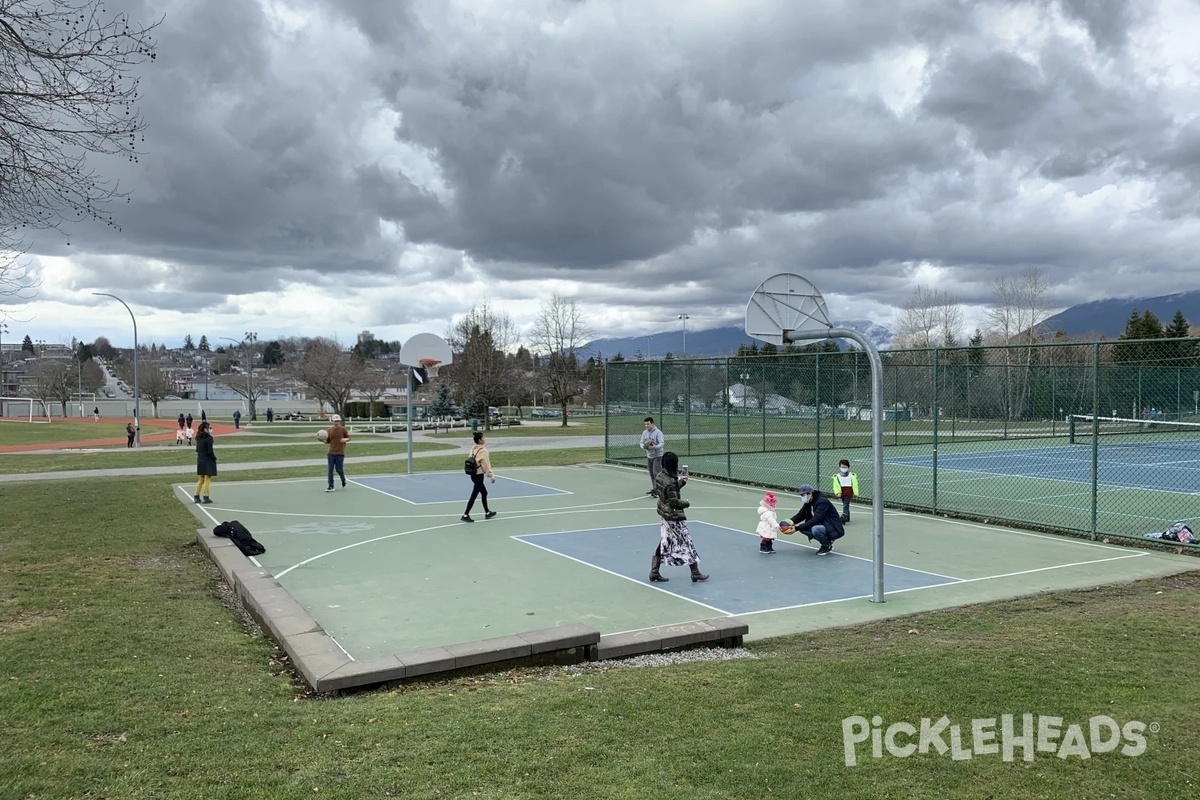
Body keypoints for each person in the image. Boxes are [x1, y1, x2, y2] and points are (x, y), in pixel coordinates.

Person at [649, 451, 708, 583]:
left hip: (665, 515)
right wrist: (687, 503)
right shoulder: (670, 481)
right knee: (686, 542)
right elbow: (674, 501)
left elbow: (668, 492)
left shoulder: (661, 475)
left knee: (665, 541)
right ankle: (695, 572)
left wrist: (681, 482)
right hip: (673, 517)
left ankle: (654, 571)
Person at [786, 484, 844, 555]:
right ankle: (827, 540)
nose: (802, 497)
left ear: (809, 494)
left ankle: (826, 546)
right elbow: (802, 514)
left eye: (803, 495)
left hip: (834, 527)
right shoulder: (809, 501)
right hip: (824, 525)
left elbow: (817, 519)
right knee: (803, 529)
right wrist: (790, 522)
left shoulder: (822, 502)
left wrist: (797, 528)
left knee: (815, 529)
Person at [461, 431, 496, 522]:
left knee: (484, 493)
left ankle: (487, 512)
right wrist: (491, 475)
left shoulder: (473, 448)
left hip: (473, 474)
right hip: (479, 475)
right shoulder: (483, 451)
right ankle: (465, 514)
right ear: (480, 440)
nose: (484, 439)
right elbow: (486, 465)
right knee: (475, 494)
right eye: (483, 438)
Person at [639, 417, 665, 497]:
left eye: (648, 424)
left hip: (658, 455)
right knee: (651, 473)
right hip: (649, 455)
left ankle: (659, 490)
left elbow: (662, 443)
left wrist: (655, 447)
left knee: (656, 473)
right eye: (645, 424)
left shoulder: (658, 432)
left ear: (652, 424)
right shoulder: (644, 433)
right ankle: (655, 488)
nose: (647, 426)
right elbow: (641, 442)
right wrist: (644, 446)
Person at [324, 414, 350, 492]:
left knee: (339, 469)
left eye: (338, 421)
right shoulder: (329, 430)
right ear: (332, 421)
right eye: (335, 421)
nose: (336, 422)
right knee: (330, 470)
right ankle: (331, 485)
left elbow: (349, 438)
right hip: (331, 452)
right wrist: (323, 440)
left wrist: (345, 440)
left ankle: (343, 479)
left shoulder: (343, 429)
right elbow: (328, 441)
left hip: (340, 453)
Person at [830, 459, 860, 523]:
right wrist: (837, 492)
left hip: (848, 492)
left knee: (845, 505)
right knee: (845, 504)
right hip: (842, 492)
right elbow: (836, 485)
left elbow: (855, 485)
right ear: (839, 467)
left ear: (848, 467)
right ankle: (847, 517)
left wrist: (855, 492)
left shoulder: (852, 476)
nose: (843, 468)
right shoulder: (837, 476)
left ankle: (844, 517)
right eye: (842, 467)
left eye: (845, 467)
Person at [193, 421, 217, 504]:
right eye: (209, 428)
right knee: (207, 479)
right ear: (205, 429)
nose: (211, 429)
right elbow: (210, 451)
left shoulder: (198, 438)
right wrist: (214, 458)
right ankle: (206, 497)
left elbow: (197, 450)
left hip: (200, 460)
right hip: (207, 460)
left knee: (201, 479)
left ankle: (196, 496)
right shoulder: (209, 438)